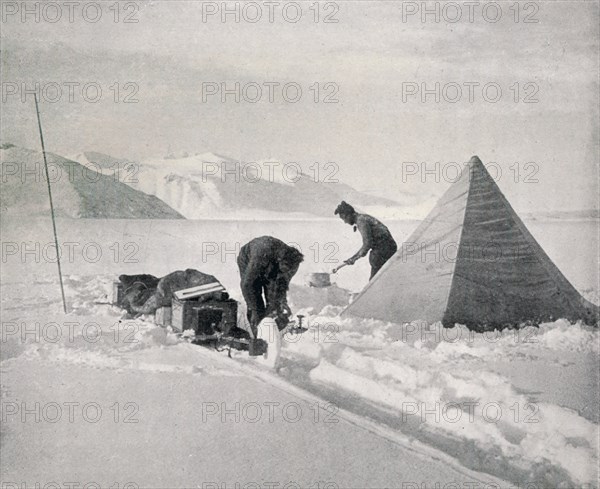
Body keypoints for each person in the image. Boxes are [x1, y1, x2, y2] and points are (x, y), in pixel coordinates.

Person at [237, 236, 304, 334]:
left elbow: (281, 285)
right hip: (250, 260)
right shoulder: (261, 255)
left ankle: (277, 329)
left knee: (274, 304)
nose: (285, 272)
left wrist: (281, 302)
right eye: (284, 269)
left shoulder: (293, 262)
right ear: (280, 260)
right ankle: (258, 335)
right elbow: (247, 285)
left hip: (272, 261)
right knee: (255, 302)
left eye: (287, 270)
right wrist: (255, 309)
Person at [335, 201, 398, 280]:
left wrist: (353, 259)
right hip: (388, 247)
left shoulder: (361, 221)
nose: (345, 222)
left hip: (384, 249)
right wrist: (353, 258)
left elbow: (367, 244)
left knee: (374, 276)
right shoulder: (363, 218)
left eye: (344, 218)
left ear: (349, 215)